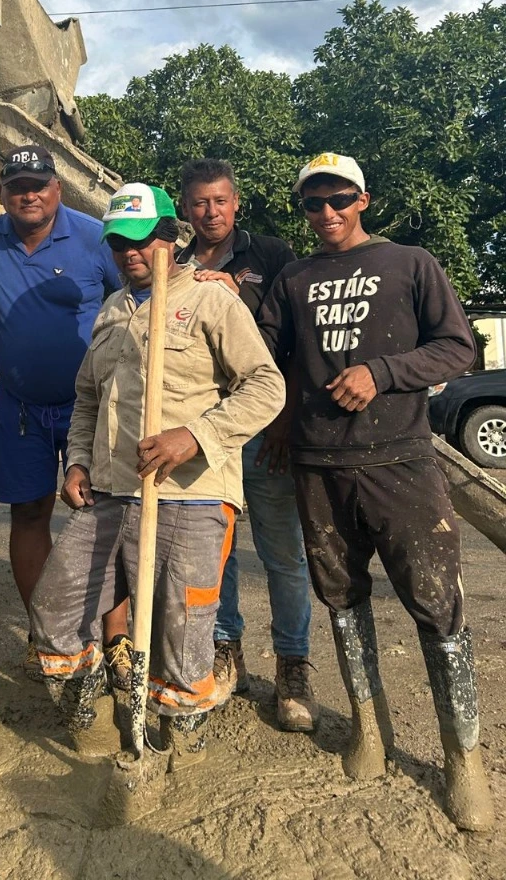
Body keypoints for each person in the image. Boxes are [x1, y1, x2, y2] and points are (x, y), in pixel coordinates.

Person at [258, 152, 494, 831]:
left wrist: (383, 371)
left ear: (364, 199)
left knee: (436, 603)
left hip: (401, 462)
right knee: (341, 599)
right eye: (313, 203)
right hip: (316, 465)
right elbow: (262, 353)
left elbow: (458, 349)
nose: (326, 213)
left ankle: (462, 757)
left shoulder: (409, 263)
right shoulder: (294, 278)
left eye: (339, 199)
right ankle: (367, 723)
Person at [30, 183, 285, 758]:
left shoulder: (212, 301)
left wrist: (194, 436)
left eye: (144, 240)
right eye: (119, 242)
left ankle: (176, 750)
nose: (131, 253)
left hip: (190, 496)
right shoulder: (113, 309)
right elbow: (88, 399)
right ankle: (91, 726)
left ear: (173, 237)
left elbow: (267, 387)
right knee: (58, 605)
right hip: (111, 492)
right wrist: (77, 461)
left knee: (181, 633)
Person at [0, 145, 130, 683]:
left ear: (57, 188)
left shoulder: (92, 238)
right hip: (21, 408)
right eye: (17, 186)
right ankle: (47, 635)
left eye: (39, 184)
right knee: (29, 515)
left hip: (92, 406)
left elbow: (143, 286)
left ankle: (116, 640)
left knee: (102, 517)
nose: (29, 194)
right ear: (3, 194)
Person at [177, 158, 317, 731]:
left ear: (236, 203)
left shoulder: (273, 256)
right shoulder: (177, 262)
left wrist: (285, 418)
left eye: (219, 201)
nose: (210, 212)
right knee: (219, 550)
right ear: (184, 208)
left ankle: (293, 665)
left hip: (264, 430)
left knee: (282, 552)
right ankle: (224, 648)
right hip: (205, 431)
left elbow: (300, 340)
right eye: (199, 203)